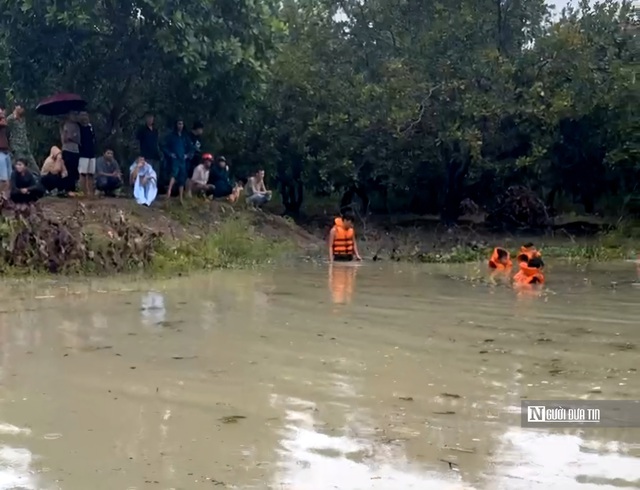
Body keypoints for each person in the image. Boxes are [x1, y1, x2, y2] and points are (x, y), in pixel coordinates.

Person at [161, 118, 192, 202]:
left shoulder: (185, 137)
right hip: (175, 159)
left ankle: (181, 197)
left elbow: (191, 148)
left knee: (182, 178)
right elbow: (164, 146)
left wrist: (188, 155)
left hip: (183, 160)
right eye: (179, 124)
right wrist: (170, 154)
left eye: (181, 124)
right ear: (176, 125)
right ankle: (169, 192)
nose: (180, 126)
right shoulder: (171, 136)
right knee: (173, 174)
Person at [6, 104, 39, 175]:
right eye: (21, 108)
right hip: (17, 147)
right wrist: (15, 113)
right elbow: (6, 122)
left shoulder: (23, 119)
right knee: (21, 167)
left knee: (35, 168)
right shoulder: (12, 119)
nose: (22, 110)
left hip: (25, 148)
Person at [60, 112, 81, 192]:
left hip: (75, 150)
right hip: (67, 149)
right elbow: (65, 139)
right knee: (67, 168)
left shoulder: (77, 126)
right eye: (73, 115)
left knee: (74, 169)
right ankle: (67, 188)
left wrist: (72, 137)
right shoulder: (65, 125)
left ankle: (73, 187)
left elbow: (78, 139)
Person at [78, 111, 97, 197]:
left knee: (91, 174)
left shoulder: (91, 127)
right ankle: (84, 192)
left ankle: (91, 192)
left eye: (86, 115)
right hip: (83, 153)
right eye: (82, 116)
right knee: (83, 173)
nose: (84, 118)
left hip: (91, 153)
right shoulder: (79, 128)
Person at [186, 121, 204, 196]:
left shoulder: (199, 138)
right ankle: (187, 191)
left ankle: (194, 191)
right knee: (189, 175)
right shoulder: (189, 136)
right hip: (189, 158)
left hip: (197, 158)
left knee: (195, 175)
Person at [0, 109, 10, 196]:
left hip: (5, 151)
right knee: (3, 178)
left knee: (9, 177)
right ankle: (2, 197)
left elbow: (5, 123)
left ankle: (5, 198)